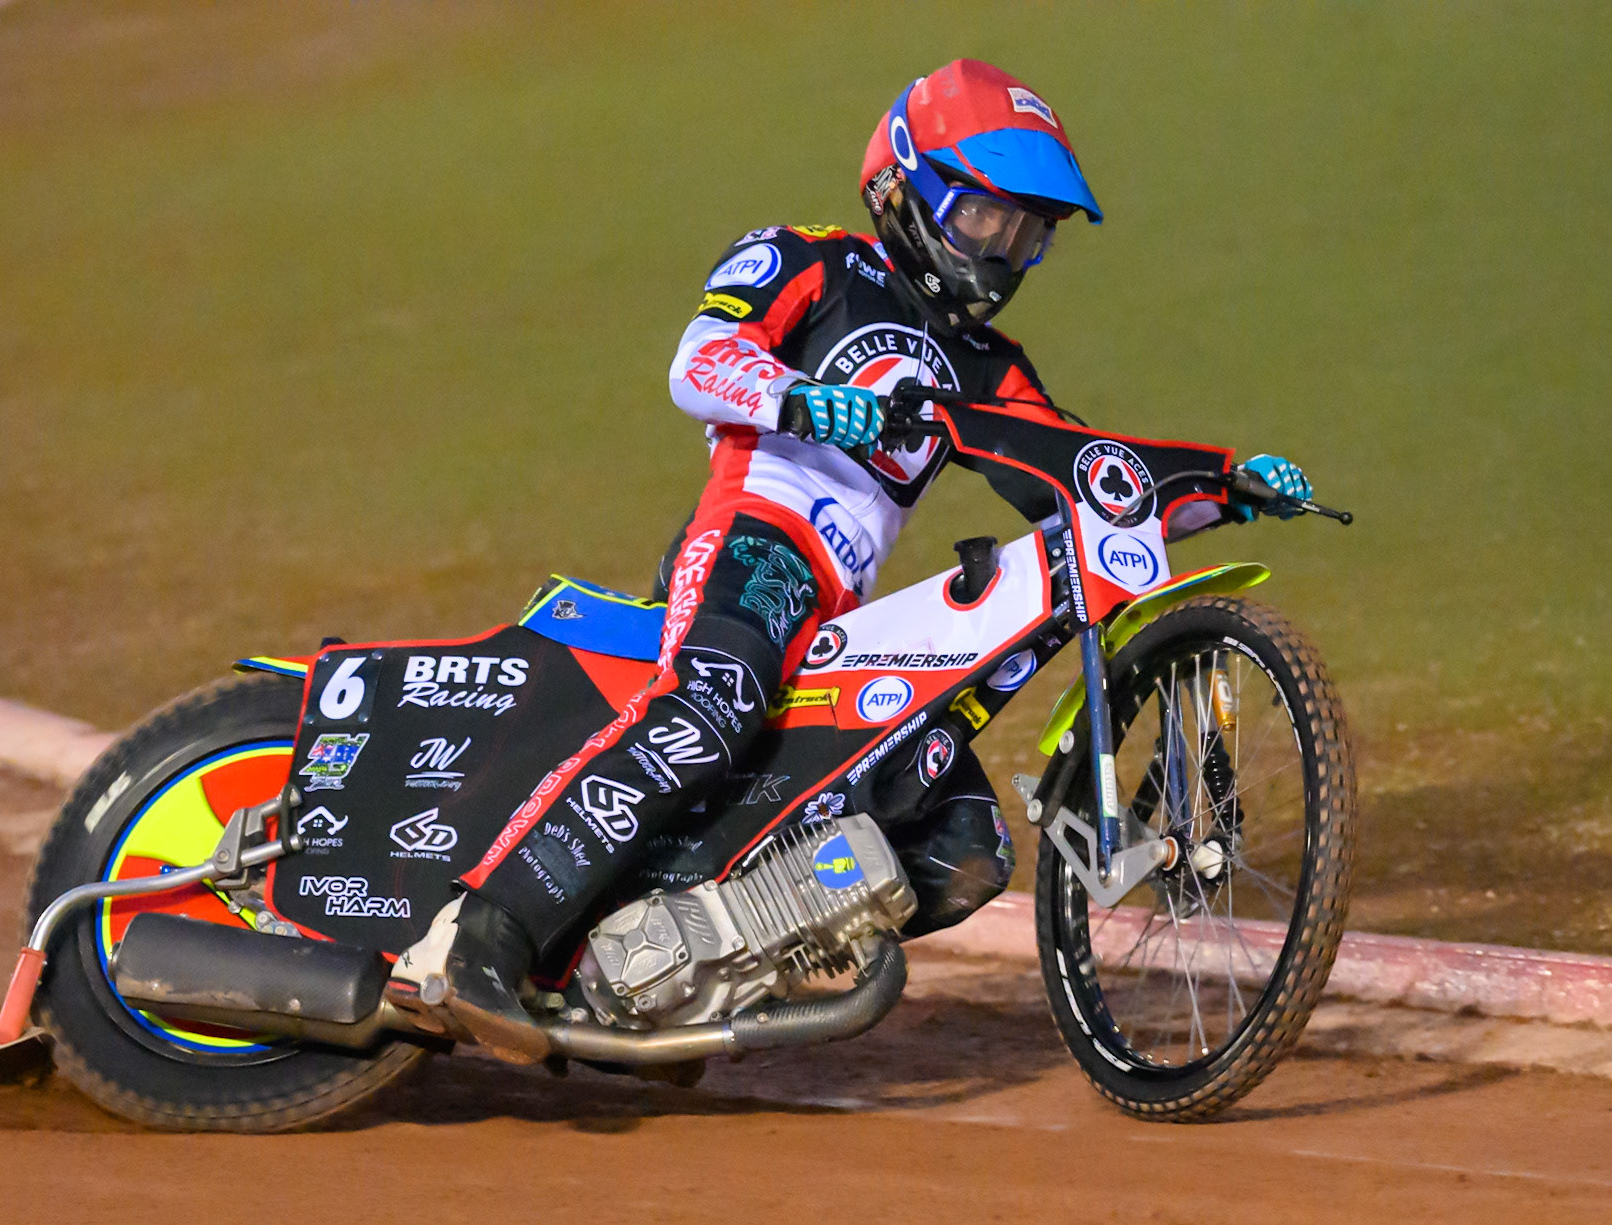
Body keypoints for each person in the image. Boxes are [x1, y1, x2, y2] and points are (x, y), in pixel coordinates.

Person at [393, 59, 1312, 1063]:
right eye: (987, 219)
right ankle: (481, 935)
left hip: (844, 614)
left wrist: (1221, 485)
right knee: (712, 707)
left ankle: (679, 969)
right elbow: (697, 361)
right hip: (754, 544)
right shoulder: (813, 263)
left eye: (1028, 233)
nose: (1004, 253)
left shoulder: (989, 368)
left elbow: (1080, 480)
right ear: (907, 190)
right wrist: (801, 398)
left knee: (963, 843)